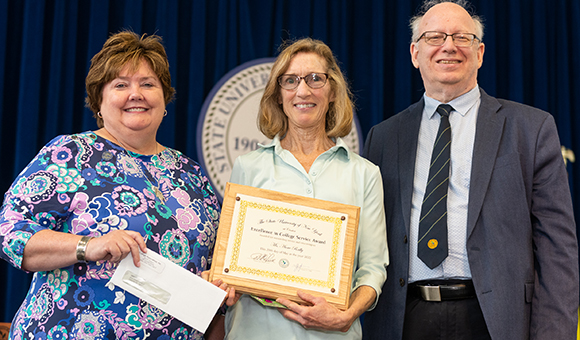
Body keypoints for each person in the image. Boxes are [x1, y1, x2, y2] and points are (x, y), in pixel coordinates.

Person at [362, 0, 579, 339]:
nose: (448, 45)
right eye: (434, 37)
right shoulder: (384, 137)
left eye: (461, 37)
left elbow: (557, 248)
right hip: (405, 319)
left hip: (496, 321)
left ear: (479, 53)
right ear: (414, 53)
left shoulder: (531, 129)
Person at [0, 30, 234, 340]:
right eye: (121, 85)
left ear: (164, 99)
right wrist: (88, 245)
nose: (136, 94)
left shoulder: (192, 176)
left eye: (148, 84)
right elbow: (11, 233)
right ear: (99, 101)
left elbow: (214, 268)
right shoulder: (71, 154)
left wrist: (216, 285)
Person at [223, 38, 389, 339]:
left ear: (333, 91)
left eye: (315, 79)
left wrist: (346, 315)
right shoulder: (248, 167)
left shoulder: (364, 173)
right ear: (278, 95)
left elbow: (373, 268)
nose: (303, 91)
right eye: (290, 81)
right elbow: (231, 264)